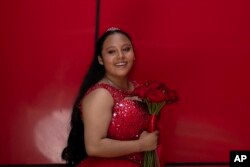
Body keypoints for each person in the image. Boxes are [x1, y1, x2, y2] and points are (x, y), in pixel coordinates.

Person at [62, 27, 159, 167]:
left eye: (126, 49)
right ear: (100, 60)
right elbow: (94, 146)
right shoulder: (101, 94)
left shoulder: (140, 89)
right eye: (111, 51)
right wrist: (141, 145)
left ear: (134, 54)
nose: (120, 56)